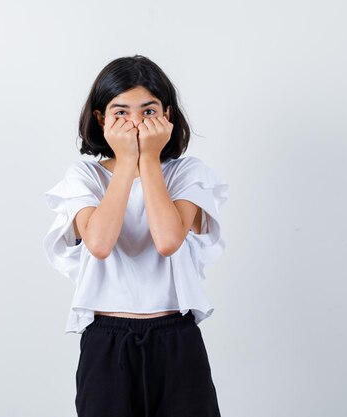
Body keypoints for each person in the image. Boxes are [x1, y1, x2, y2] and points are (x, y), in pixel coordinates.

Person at [43, 55, 229, 417]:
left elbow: (167, 240)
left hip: (176, 334)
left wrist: (149, 160)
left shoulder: (187, 172)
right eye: (121, 112)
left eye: (148, 111)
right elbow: (98, 243)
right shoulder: (84, 177)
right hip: (107, 340)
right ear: (101, 118)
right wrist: (127, 161)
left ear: (167, 116)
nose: (136, 123)